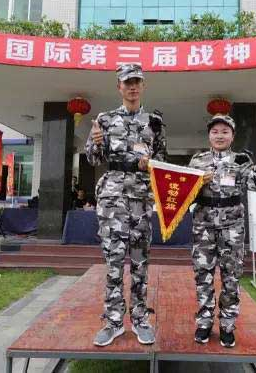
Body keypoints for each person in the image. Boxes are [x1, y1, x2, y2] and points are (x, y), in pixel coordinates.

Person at [86, 63, 167, 347]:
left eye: (137, 82)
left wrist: (150, 163)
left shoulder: (154, 122)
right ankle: (113, 321)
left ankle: (140, 319)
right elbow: (93, 159)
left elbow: (162, 161)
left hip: (142, 199)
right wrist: (97, 143)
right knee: (114, 262)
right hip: (113, 200)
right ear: (119, 86)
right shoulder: (105, 120)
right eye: (127, 82)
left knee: (140, 262)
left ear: (143, 86)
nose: (132, 87)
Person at [188, 115, 256, 348]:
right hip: (203, 225)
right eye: (215, 131)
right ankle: (204, 322)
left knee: (231, 276)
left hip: (232, 226)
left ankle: (227, 325)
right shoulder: (197, 161)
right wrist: (198, 183)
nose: (219, 136)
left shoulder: (242, 160)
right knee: (203, 275)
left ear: (232, 136)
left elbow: (254, 184)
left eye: (225, 131)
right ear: (209, 135)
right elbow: (185, 191)